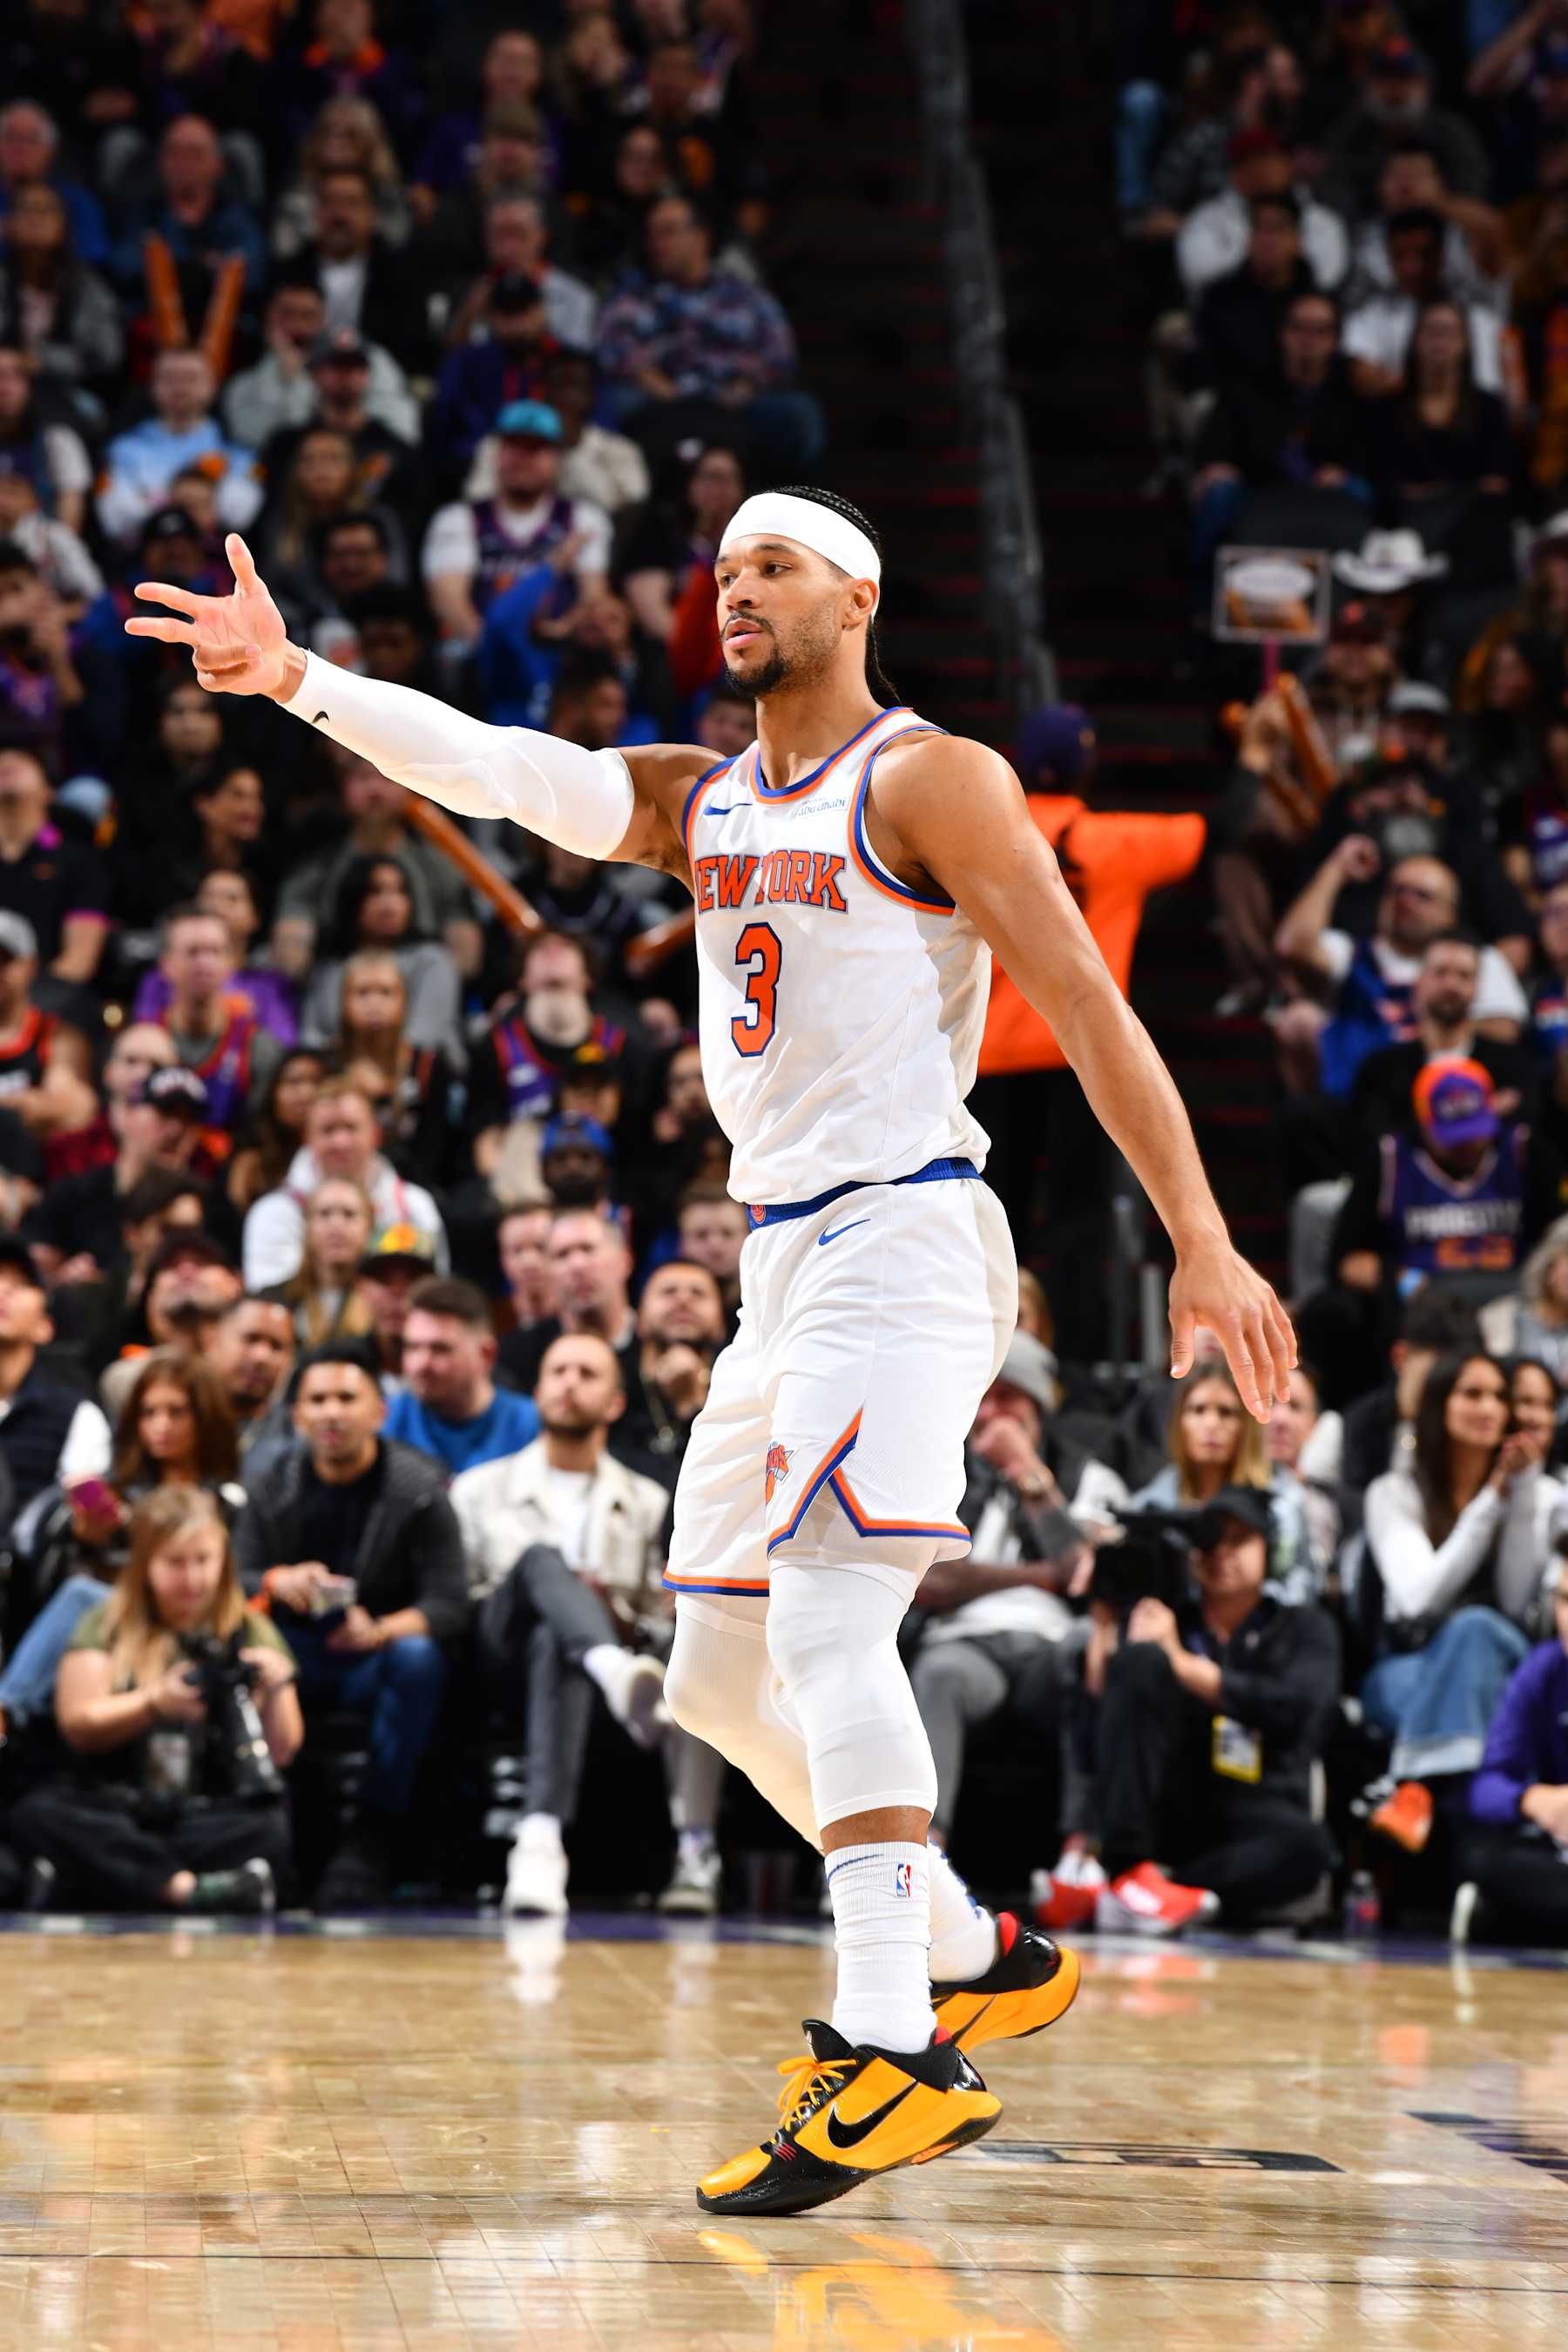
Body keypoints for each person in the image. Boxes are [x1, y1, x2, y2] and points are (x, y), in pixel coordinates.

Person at [129, 494, 1291, 2216]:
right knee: (724, 1683)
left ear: (859, 595)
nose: (740, 589)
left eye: (778, 565)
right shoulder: (707, 794)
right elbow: (507, 769)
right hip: (780, 1256)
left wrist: (1197, 1234)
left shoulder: (930, 778)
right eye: (728, 568)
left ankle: (891, 2043)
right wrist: (300, 678)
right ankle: (973, 1948)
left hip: (902, 1230)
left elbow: (1092, 1004)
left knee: (827, 1620)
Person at [453, 1331, 718, 1916]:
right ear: (539, 1389)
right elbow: (465, 1603)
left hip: (583, 1663)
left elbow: (656, 1611)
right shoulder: (478, 1490)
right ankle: (613, 1671)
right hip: (503, 1659)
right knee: (542, 1563)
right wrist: (557, 1591)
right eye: (558, 1370)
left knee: (563, 1640)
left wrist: (610, 1615)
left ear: (615, 1403)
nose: (569, 1382)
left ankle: (541, 1843)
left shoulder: (647, 1500)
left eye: (587, 1373)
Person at [234, 1340, 468, 1907]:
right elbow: (233, 1581)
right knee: (240, 1654)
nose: (331, 1412)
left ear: (379, 1411)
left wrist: (381, 1630)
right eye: (316, 1399)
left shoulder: (418, 1487)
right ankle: (265, 1829)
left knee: (419, 1658)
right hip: (292, 1649)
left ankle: (374, 1832)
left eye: (346, 1397)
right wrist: (274, 1581)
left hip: (372, 1654)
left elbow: (449, 1604)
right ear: (296, 1416)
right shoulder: (270, 1484)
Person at [10, 1487, 300, 1915]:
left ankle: (101, 1882)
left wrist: (276, 1689)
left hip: (202, 1806)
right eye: (175, 1563)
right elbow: (78, 1725)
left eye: (204, 1561)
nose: (192, 1578)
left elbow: (283, 1751)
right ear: (145, 1565)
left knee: (268, 1827)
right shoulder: (105, 1622)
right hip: (119, 1800)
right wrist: (153, 1703)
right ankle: (188, 1890)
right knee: (40, 1813)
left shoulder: (249, 1628)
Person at [1090, 1488, 1340, 1936]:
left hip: (1258, 1803)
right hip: (1175, 1800)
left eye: (1239, 1540)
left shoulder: (1306, 1628)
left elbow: (1300, 1710)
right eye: (1209, 1541)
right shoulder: (1168, 1620)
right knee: (1140, 1662)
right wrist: (1108, 1626)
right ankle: (1129, 1871)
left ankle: (1163, 1891)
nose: (1222, 1554)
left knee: (1308, 1848)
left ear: (1271, 1551)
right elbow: (1110, 1706)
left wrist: (1187, 1667)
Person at [1358, 1349, 1560, 1854]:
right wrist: (1489, 1503)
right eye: (1471, 1394)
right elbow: (1416, 1598)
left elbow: (1515, 1600)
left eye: (1498, 1396)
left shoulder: (1535, 1494)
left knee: (1477, 1630)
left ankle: (1414, 1788)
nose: (1489, 1407)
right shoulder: (1393, 1492)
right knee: (1456, 1649)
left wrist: (1516, 1493)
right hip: (1411, 1662)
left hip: (1497, 1659)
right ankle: (1476, 1833)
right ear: (1438, 1406)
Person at [241, 1077, 446, 1291]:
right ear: (307, 1137)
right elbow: (268, 1300)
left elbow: (431, 1292)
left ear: (375, 1134)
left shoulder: (413, 1205)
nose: (340, 1142)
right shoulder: (274, 1211)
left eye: (351, 1128)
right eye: (328, 1130)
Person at [1463, 1561, 1568, 1943]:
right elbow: (1486, 1786)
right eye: (1565, 1600)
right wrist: (1536, 1800)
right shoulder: (1544, 1670)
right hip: (1557, 1853)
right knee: (1483, 1858)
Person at [382, 1275, 539, 1474]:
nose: (420, 1364)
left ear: (486, 1355)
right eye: (412, 1347)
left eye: (440, 1349)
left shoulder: (530, 1425)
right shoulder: (387, 1419)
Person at [269, 1174, 376, 1348]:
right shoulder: (275, 1301)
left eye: (349, 1214)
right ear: (307, 1226)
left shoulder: (384, 1306)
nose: (336, 1225)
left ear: (370, 1227)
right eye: (324, 1214)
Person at [206, 1292, 294, 1461]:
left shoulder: (297, 1439)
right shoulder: (173, 1419)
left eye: (276, 1346)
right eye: (251, 1339)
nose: (261, 1357)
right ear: (213, 1341)